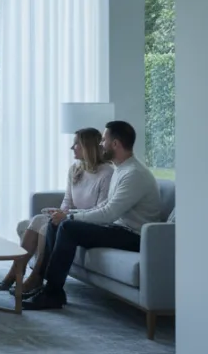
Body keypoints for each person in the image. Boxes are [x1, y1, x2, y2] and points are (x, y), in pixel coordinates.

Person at [24, 120, 163, 311]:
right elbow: (107, 205)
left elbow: (109, 213)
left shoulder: (134, 174)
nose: (100, 144)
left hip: (135, 236)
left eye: (104, 140)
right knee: (55, 223)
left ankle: (52, 294)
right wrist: (67, 213)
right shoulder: (121, 169)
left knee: (67, 227)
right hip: (118, 229)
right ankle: (48, 288)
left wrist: (69, 218)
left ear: (115, 144)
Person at [0, 127, 113, 294]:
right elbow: (68, 200)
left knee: (46, 225)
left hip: (85, 223)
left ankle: (35, 277)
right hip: (71, 216)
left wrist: (67, 215)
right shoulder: (76, 168)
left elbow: (101, 209)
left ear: (88, 147)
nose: (72, 148)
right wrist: (59, 212)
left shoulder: (106, 173)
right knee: (39, 219)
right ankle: (17, 271)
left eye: (76, 144)